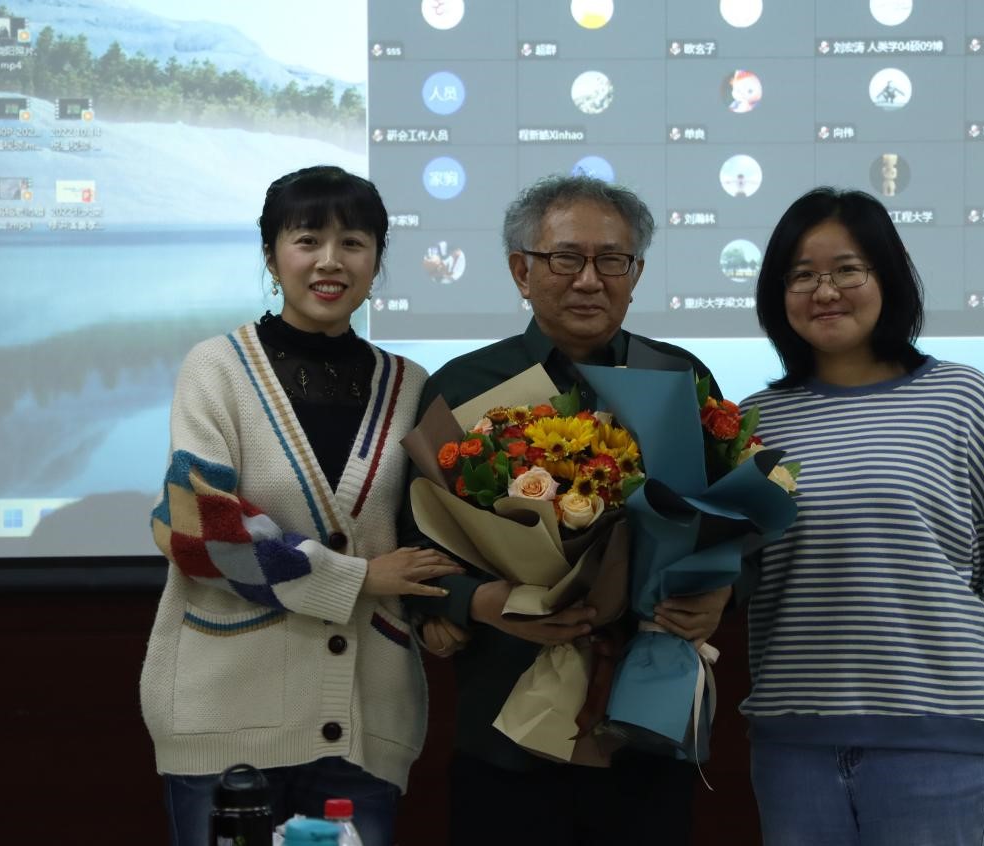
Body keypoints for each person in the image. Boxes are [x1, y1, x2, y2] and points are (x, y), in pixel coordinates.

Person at [404, 174, 736, 846]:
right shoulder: (467, 386)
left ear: (635, 274)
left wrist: (722, 592)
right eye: (565, 258)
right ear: (520, 271)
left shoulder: (678, 377)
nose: (589, 280)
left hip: (645, 723)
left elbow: (726, 519)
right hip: (506, 724)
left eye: (612, 259)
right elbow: (415, 541)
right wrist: (479, 602)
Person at [141, 165, 463, 846]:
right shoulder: (216, 368)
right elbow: (199, 533)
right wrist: (357, 578)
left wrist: (443, 610)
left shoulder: (411, 385)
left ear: (377, 259)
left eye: (354, 243)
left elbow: (437, 528)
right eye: (307, 239)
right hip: (224, 718)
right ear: (271, 255)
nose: (330, 261)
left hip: (365, 723)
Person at [742, 187, 984, 846]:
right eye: (801, 275)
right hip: (794, 747)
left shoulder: (962, 397)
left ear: (888, 277)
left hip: (937, 746)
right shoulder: (755, 421)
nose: (824, 291)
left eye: (847, 269)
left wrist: (979, 714)